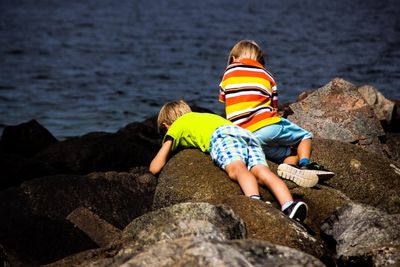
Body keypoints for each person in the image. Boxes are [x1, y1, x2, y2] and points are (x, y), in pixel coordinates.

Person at [149, 100, 308, 223]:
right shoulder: (204, 117)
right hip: (244, 134)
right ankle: (289, 205)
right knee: (262, 171)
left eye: (164, 133)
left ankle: (254, 201)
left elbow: (155, 168)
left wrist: (167, 141)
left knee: (237, 168)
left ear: (166, 126)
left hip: (222, 136)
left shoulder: (176, 126)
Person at [218, 40, 333, 188]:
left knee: (285, 154)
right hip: (267, 126)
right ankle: (305, 164)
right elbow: (274, 107)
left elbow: (224, 99)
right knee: (305, 136)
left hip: (246, 137)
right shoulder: (267, 75)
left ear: (233, 59)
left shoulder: (228, 72)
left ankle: (289, 166)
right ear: (260, 60)